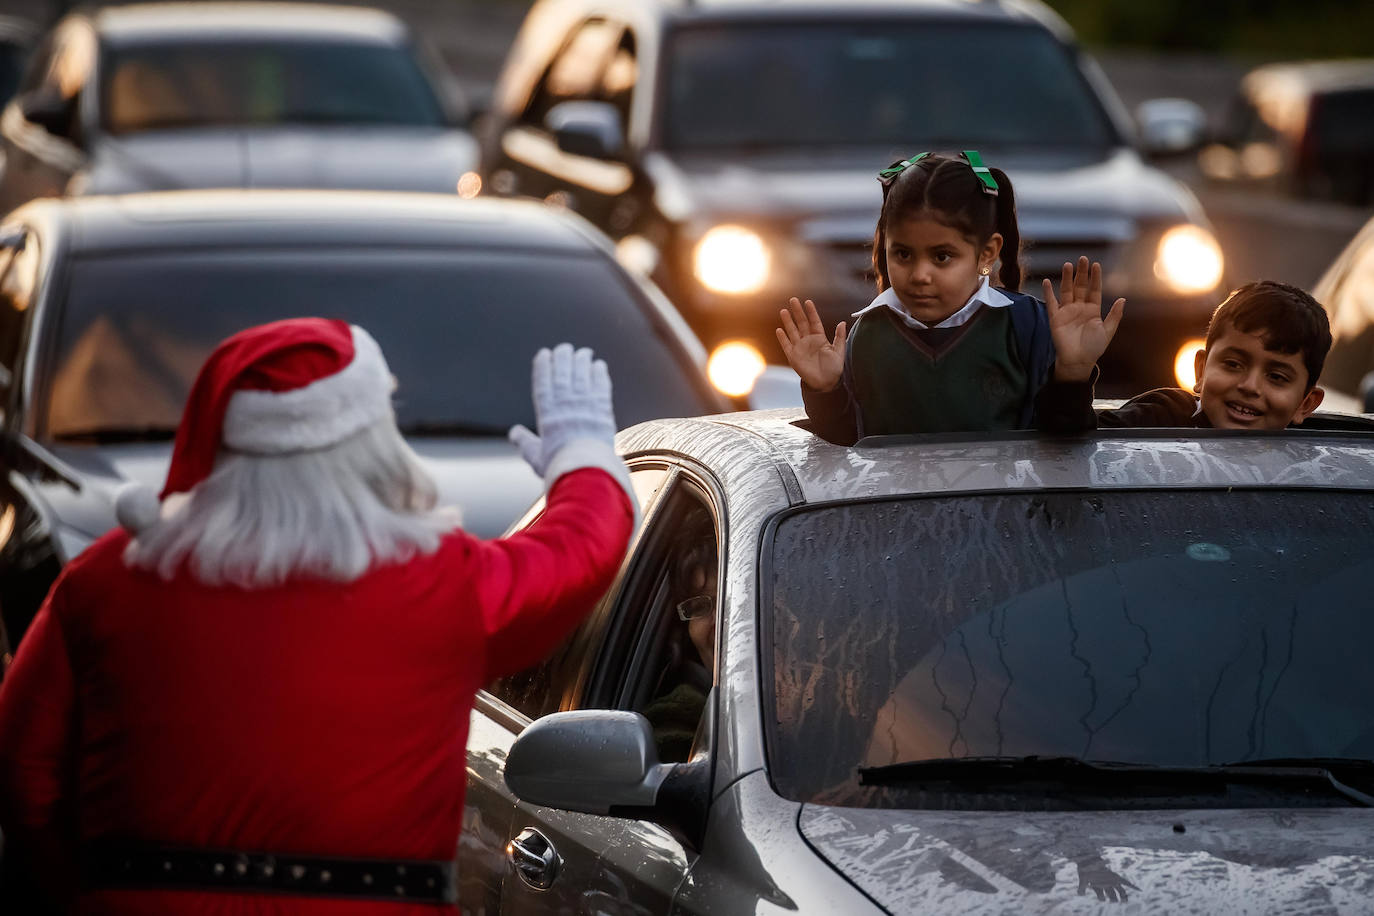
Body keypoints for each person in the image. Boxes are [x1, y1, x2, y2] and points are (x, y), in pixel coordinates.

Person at [0, 318, 636, 913]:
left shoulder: (110, 581)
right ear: (373, 444)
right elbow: (576, 554)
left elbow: (25, 771)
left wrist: (81, 888)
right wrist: (580, 458)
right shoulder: (438, 585)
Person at [777, 150, 1124, 444]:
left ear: (987, 253)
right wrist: (824, 390)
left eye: (942, 256)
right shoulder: (868, 333)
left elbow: (1062, 445)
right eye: (902, 254)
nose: (920, 275)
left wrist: (1073, 374)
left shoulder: (1026, 325)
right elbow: (849, 452)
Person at [1037, 279, 1330, 430]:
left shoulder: (1320, 466)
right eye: (1233, 364)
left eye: (1277, 377)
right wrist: (1073, 373)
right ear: (1201, 371)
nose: (1250, 386)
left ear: (1306, 403)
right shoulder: (1163, 418)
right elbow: (1074, 446)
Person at [641, 508, 717, 763]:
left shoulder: (836, 696)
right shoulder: (678, 717)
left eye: (738, 597)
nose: (720, 621)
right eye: (699, 606)